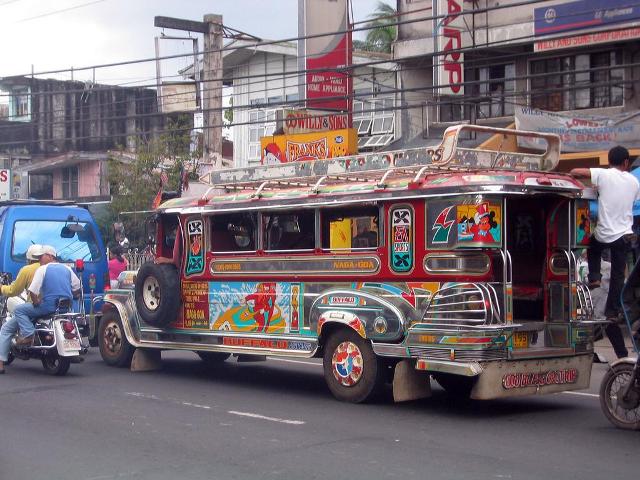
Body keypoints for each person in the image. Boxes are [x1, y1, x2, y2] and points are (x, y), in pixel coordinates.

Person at [571, 146, 640, 358]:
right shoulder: (634, 181)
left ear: (609, 161)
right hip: (626, 235)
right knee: (619, 275)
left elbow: (576, 171)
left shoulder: (605, 174)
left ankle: (594, 278)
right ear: (626, 163)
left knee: (592, 247)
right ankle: (613, 309)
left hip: (606, 234)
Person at [13, 245, 81, 347]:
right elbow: (77, 287)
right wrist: (71, 295)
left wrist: (36, 302)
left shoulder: (43, 269)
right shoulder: (67, 268)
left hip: (48, 307)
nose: (39, 259)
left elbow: (32, 290)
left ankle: (28, 334)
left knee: (19, 310)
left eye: (41, 256)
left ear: (50, 256)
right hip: (66, 308)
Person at [0, 244, 45, 374]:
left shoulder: (27, 269)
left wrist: (2, 288)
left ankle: (1, 364)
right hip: (52, 306)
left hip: (34, 307)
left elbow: (14, 290)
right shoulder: (48, 267)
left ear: (29, 257)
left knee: (6, 329)